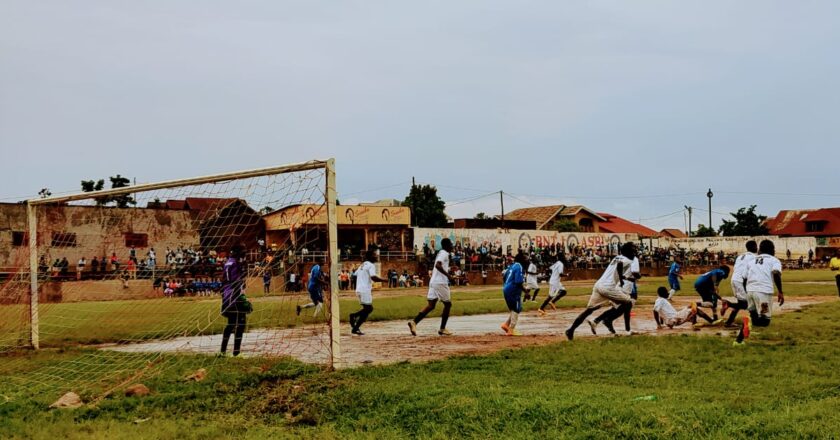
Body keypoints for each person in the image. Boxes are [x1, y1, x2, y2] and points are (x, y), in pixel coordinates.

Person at [565, 242, 636, 340]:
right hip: (609, 288)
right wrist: (621, 280)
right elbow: (620, 266)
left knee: (589, 310)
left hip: (599, 285)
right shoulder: (628, 260)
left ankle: (571, 330)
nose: (635, 252)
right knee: (628, 303)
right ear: (628, 251)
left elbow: (617, 267)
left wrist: (622, 277)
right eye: (633, 250)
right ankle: (612, 322)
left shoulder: (617, 257)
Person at [734, 240, 784, 346]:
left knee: (753, 316)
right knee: (765, 321)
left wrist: (747, 292)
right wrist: (780, 291)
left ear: (760, 249)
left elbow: (744, 278)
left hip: (750, 291)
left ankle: (738, 341)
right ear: (773, 250)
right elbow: (776, 274)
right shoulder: (774, 260)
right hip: (763, 293)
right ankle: (748, 323)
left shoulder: (751, 261)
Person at [408, 238, 455, 336]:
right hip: (440, 282)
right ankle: (442, 328)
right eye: (451, 244)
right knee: (448, 304)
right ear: (446, 245)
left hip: (433, 282)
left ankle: (414, 322)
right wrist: (448, 276)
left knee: (431, 305)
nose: (452, 246)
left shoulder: (441, 253)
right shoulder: (444, 253)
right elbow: (438, 265)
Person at [220, 245, 249, 356]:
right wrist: (242, 298)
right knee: (241, 323)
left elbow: (224, 280)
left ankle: (222, 351)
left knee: (230, 323)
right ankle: (236, 353)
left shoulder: (227, 263)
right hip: (234, 296)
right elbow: (236, 282)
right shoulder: (236, 264)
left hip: (226, 295)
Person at [720, 241, 757, 327]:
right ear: (754, 247)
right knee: (746, 304)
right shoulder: (754, 257)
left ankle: (729, 322)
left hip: (734, 279)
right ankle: (728, 304)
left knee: (740, 303)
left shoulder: (740, 256)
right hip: (742, 281)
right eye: (756, 246)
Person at [350, 250, 385, 335]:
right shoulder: (371, 265)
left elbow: (354, 275)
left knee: (367, 310)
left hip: (359, 289)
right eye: (375, 255)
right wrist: (385, 280)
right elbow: (373, 277)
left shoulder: (362, 264)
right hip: (364, 290)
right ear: (370, 257)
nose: (376, 256)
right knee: (369, 309)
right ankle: (354, 319)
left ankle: (355, 326)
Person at [501, 252, 528, 336]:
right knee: (516, 309)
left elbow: (504, 276)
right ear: (521, 259)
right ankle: (511, 329)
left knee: (515, 309)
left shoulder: (512, 266)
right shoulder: (519, 266)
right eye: (525, 258)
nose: (526, 259)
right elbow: (518, 282)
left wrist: (507, 285)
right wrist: (526, 291)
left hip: (506, 288)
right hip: (513, 290)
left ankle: (506, 325)